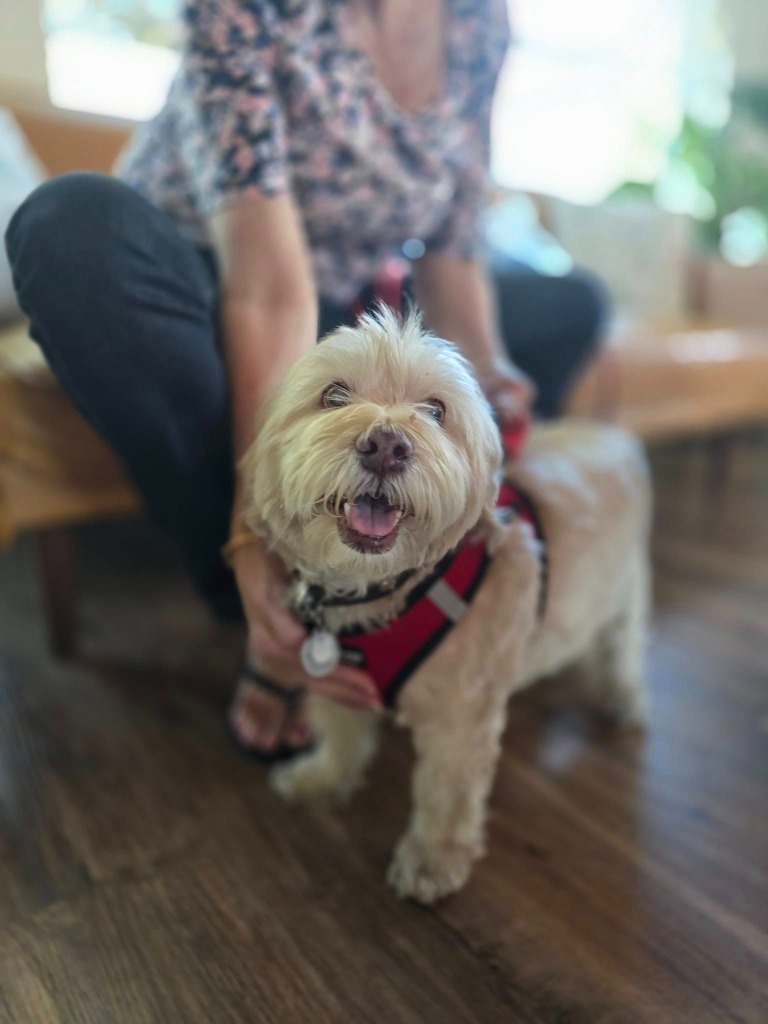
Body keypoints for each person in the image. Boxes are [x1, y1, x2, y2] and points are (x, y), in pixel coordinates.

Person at [5, 0, 606, 760]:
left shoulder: (480, 23)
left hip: (349, 307)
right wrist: (254, 528)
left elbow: (452, 243)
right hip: (199, 289)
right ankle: (275, 614)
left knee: (573, 304)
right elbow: (266, 289)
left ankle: (395, 569)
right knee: (67, 228)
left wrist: (487, 370)